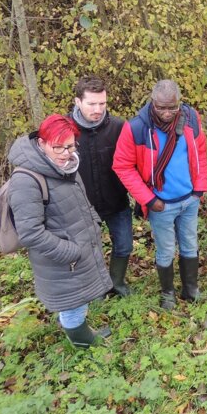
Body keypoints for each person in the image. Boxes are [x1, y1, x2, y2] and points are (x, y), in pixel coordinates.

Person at [8, 114, 112, 348]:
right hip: (62, 261)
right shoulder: (26, 180)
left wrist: (94, 224)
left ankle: (85, 335)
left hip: (79, 250)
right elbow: (30, 232)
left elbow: (82, 202)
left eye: (70, 145)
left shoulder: (67, 166)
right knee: (72, 305)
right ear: (42, 143)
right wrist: (70, 252)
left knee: (79, 301)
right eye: (58, 147)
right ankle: (84, 346)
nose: (66, 152)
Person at [112, 80, 207, 309]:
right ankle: (168, 293)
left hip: (189, 199)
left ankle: (190, 289)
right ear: (152, 102)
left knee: (190, 243)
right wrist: (148, 199)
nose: (166, 113)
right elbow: (122, 166)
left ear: (179, 103)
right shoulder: (136, 128)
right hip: (161, 205)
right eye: (161, 107)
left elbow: (200, 153)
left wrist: (199, 188)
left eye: (172, 108)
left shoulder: (191, 119)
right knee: (165, 249)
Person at [69, 76, 133, 296]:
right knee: (86, 253)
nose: (98, 109)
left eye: (102, 104)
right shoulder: (66, 130)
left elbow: (133, 163)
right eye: (91, 104)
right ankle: (94, 290)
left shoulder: (119, 127)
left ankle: (117, 283)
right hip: (81, 207)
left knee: (124, 245)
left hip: (116, 202)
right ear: (78, 102)